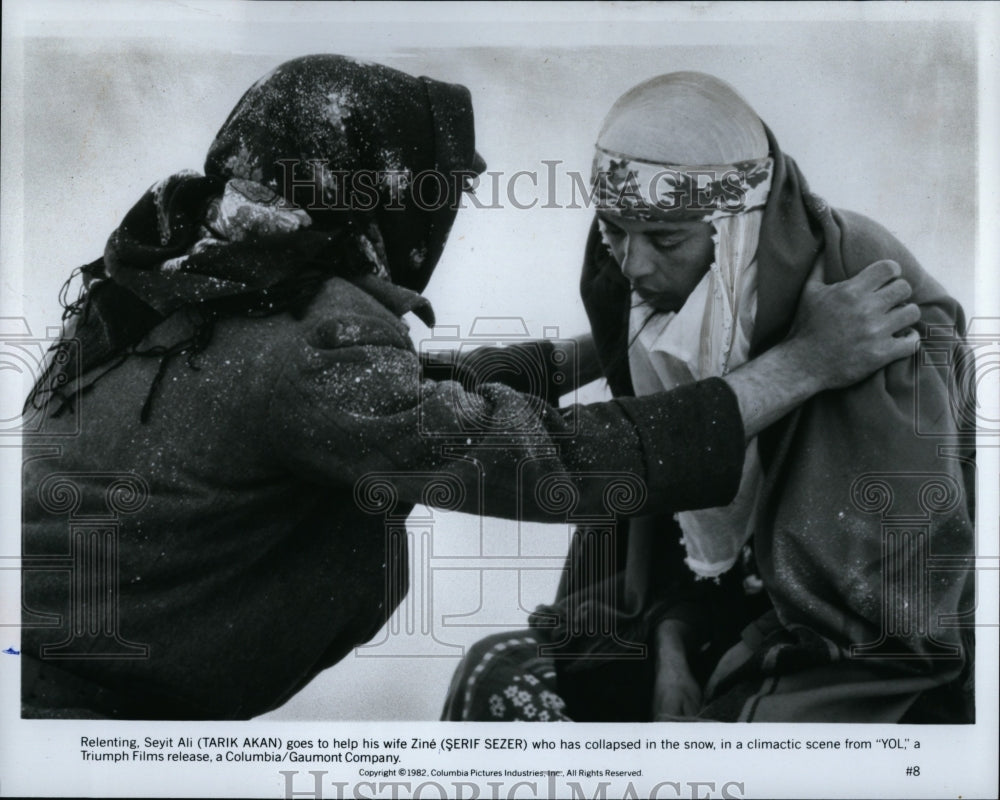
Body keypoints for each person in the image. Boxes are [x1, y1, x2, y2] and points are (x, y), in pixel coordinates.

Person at [21, 57, 920, 720]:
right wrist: (797, 365)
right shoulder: (306, 339)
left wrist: (596, 352)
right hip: (117, 729)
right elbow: (545, 464)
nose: (636, 265)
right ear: (386, 201)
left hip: (55, 696)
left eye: (664, 242)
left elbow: (404, 402)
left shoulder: (186, 273)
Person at [443, 71, 974, 724]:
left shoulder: (861, 319)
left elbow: (886, 628)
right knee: (496, 677)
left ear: (738, 233)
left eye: (665, 239)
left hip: (845, 680)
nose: (633, 267)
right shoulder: (672, 315)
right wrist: (670, 645)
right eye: (613, 231)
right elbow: (656, 505)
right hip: (712, 630)